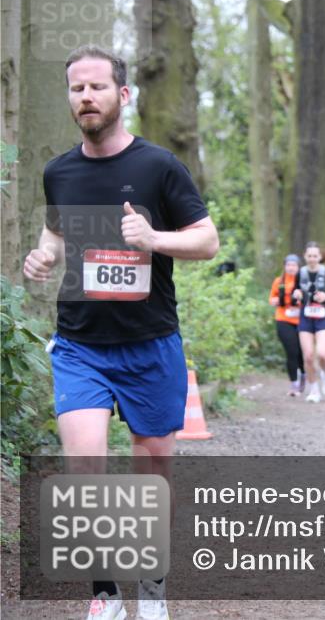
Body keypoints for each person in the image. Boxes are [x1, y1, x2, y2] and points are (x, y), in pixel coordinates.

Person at [22, 45, 219, 620]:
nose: (86, 97)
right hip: (80, 344)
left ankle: (152, 590)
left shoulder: (158, 167)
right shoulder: (59, 170)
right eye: (76, 89)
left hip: (151, 343)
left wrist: (155, 240)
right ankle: (105, 596)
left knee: (153, 470)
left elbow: (206, 241)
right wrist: (42, 256)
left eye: (97, 87)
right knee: (84, 469)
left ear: (123, 95)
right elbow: (55, 235)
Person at [293, 242, 325, 402]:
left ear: (320, 257)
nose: (312, 258)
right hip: (306, 316)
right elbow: (295, 292)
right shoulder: (300, 273)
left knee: (322, 354)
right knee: (307, 356)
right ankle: (314, 390)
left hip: (323, 316)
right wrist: (297, 294)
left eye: (315, 256)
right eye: (309, 256)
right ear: (305, 257)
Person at [269, 254, 305, 395]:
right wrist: (275, 301)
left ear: (298, 267)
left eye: (294, 265)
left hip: (302, 320)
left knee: (302, 353)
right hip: (283, 319)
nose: (291, 268)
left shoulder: (303, 281)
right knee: (291, 351)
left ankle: (303, 375)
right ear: (284, 266)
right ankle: (293, 384)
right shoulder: (279, 281)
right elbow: (271, 297)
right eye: (288, 265)